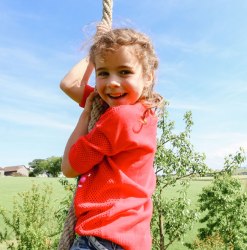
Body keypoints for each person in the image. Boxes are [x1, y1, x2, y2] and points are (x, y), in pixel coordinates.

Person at [60, 27, 163, 250]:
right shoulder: (143, 114)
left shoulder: (119, 116)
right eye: (103, 72)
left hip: (103, 238)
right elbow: (69, 85)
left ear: (148, 76)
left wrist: (86, 115)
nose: (112, 82)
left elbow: (69, 167)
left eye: (124, 72)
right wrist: (96, 52)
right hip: (127, 238)